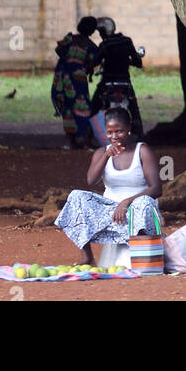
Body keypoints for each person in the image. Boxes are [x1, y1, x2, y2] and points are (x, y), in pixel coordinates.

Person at [54, 106, 162, 267]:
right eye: (109, 132)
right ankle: (88, 258)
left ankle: (142, 258)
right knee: (77, 196)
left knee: (144, 202)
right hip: (110, 213)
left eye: (119, 131)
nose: (114, 136)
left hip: (137, 212)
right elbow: (91, 180)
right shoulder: (101, 153)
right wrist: (106, 156)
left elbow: (156, 189)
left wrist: (126, 202)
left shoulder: (142, 151)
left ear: (129, 128)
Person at [90, 17, 144, 137]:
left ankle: (88, 137)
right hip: (125, 83)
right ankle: (140, 136)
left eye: (100, 32)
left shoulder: (104, 45)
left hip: (108, 84)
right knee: (134, 110)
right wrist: (128, 61)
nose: (100, 34)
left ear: (105, 31)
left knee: (93, 108)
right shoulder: (127, 41)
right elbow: (137, 62)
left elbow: (94, 62)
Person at [51, 16, 99, 149]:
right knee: (82, 106)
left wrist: (69, 58)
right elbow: (94, 62)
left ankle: (69, 139)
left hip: (64, 77)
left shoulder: (70, 38)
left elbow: (58, 50)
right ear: (92, 30)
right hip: (79, 80)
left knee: (68, 106)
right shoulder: (90, 45)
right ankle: (82, 138)